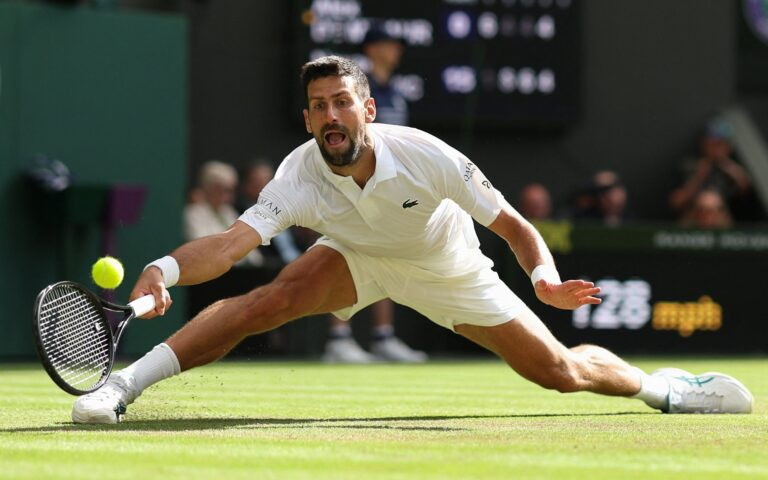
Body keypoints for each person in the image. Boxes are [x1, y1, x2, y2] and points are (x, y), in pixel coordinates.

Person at [71, 56, 753, 424]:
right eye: (318, 106)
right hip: (355, 256)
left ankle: (663, 390)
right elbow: (227, 244)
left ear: (367, 109)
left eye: (343, 102)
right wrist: (162, 267)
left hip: (445, 264)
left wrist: (541, 279)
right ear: (308, 117)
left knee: (559, 373)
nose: (331, 116)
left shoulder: (428, 155)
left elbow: (513, 226)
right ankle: (122, 387)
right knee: (263, 303)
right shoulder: (300, 172)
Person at [323, 23, 425, 364]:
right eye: (388, 44)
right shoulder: (353, 89)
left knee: (388, 257)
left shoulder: (395, 92)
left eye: (397, 44)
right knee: (343, 255)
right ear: (371, 48)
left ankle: (383, 337)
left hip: (389, 188)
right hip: (351, 183)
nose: (396, 49)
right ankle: (339, 339)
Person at [669, 120, 758, 220]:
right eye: (712, 144)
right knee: (706, 203)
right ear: (704, 144)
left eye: (720, 144)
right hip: (692, 221)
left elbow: (750, 204)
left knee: (712, 203)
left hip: (723, 222)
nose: (716, 149)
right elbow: (676, 203)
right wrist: (699, 177)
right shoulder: (690, 166)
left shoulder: (734, 171)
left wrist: (737, 175)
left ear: (728, 147)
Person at [183, 160, 263, 266]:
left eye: (232, 191)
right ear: (209, 188)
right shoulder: (192, 214)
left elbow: (253, 254)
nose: (230, 197)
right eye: (225, 190)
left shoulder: (229, 212)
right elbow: (204, 251)